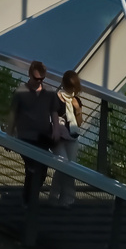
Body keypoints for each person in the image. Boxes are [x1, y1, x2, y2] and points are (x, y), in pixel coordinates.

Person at [8, 60, 65, 205]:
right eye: (36, 78)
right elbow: (13, 114)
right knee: (32, 168)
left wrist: (56, 130)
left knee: (41, 171)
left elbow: (54, 112)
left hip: (43, 136)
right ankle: (29, 201)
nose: (39, 82)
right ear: (29, 74)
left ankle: (30, 198)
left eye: (42, 79)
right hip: (26, 137)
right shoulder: (21, 92)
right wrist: (9, 135)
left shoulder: (49, 92)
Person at [49, 70, 83, 207]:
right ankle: (56, 196)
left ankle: (64, 198)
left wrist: (78, 109)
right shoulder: (56, 98)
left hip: (72, 137)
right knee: (63, 164)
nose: (71, 90)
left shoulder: (76, 100)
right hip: (58, 137)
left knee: (71, 167)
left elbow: (79, 123)